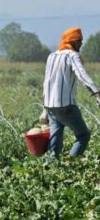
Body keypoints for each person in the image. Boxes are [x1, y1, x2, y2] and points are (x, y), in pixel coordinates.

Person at [42, 27, 100, 158]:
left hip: (51, 106)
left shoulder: (52, 56)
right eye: (79, 40)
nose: (81, 43)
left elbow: (46, 82)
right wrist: (97, 93)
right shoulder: (72, 55)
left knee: (55, 140)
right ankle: (71, 163)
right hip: (66, 106)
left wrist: (44, 109)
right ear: (72, 42)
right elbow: (82, 75)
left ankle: (50, 169)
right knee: (83, 135)